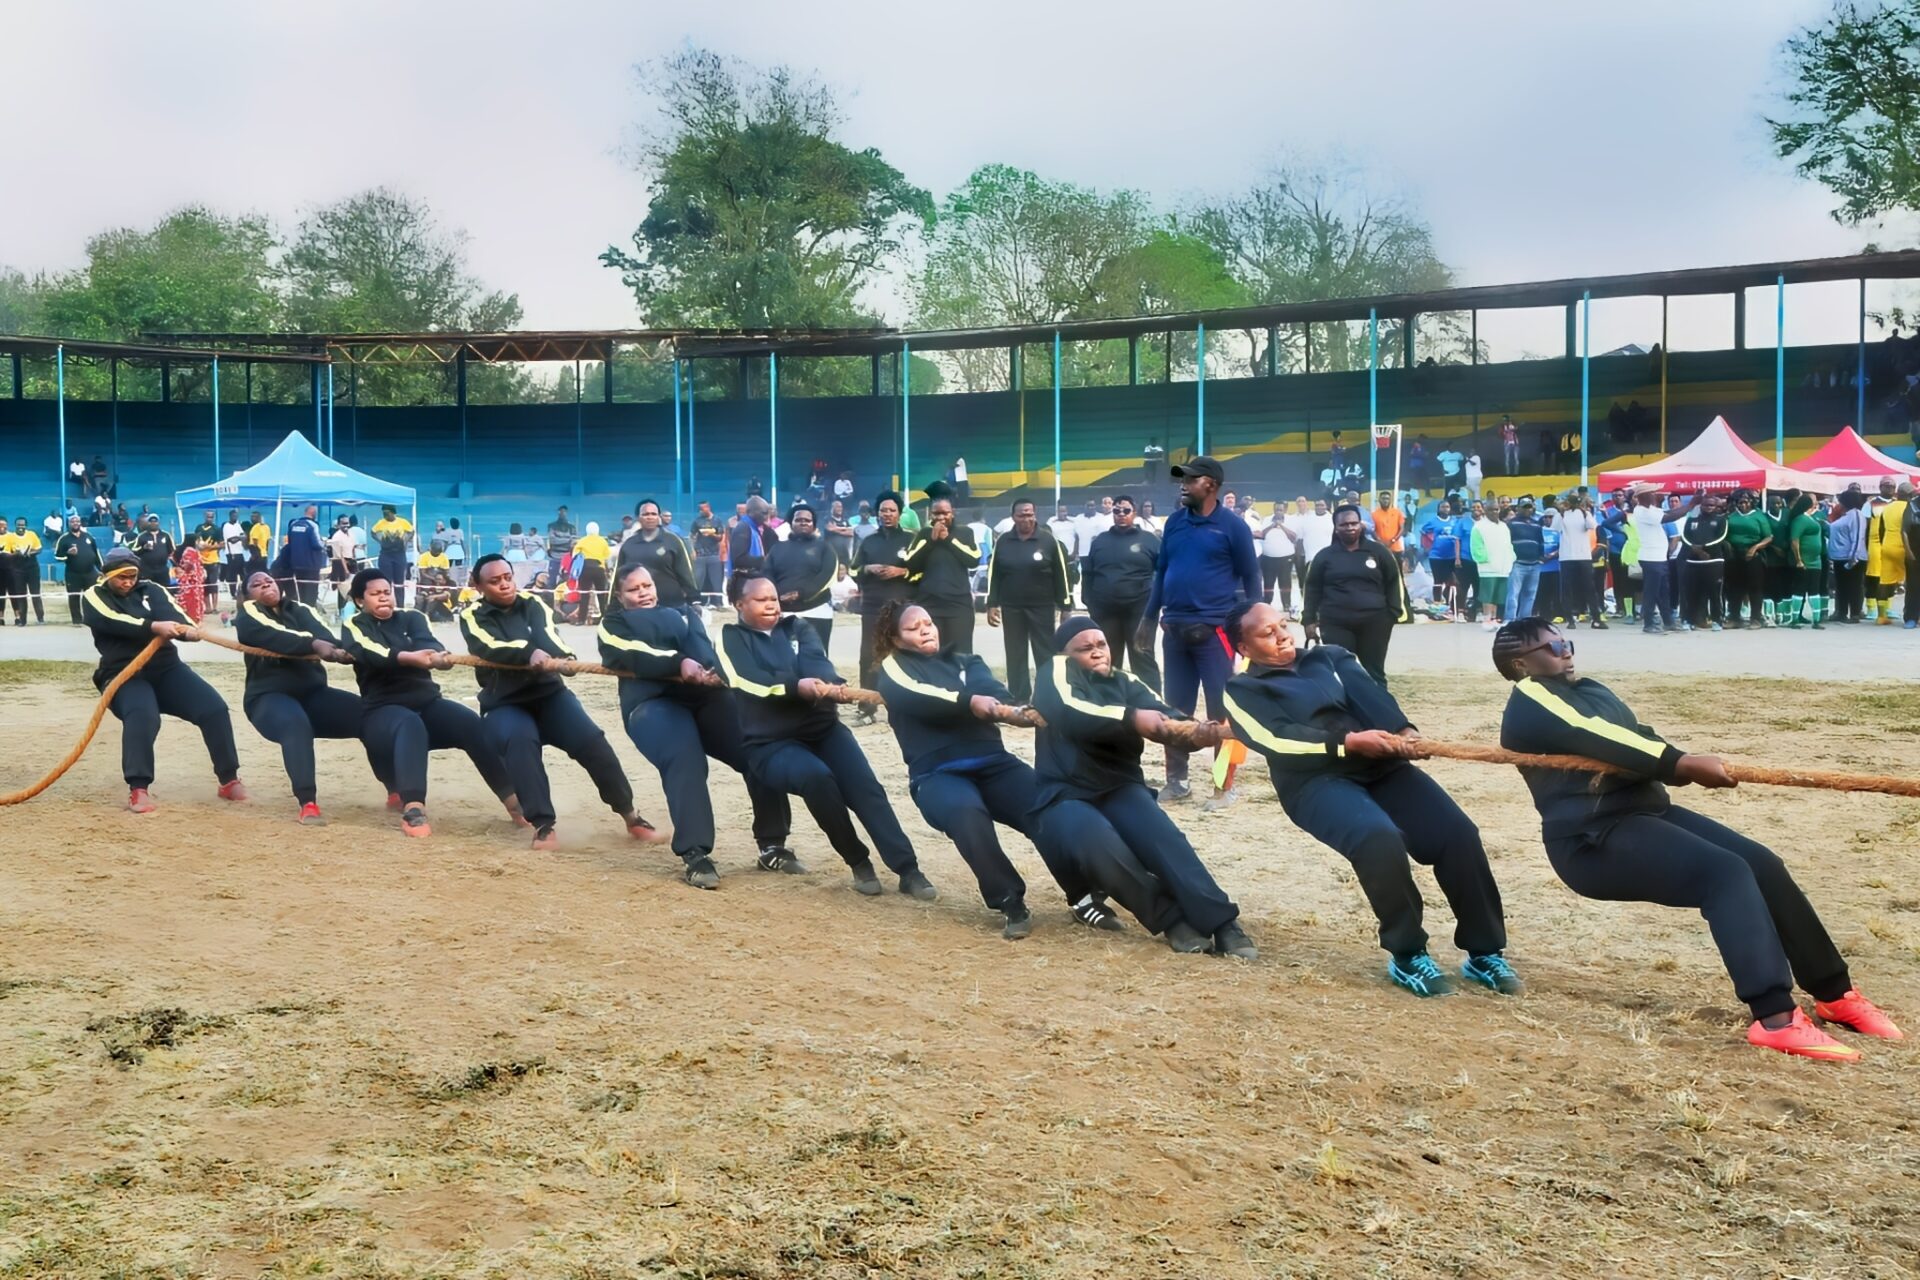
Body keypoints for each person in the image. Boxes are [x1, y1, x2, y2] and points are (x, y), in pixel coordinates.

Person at [1492, 618, 1901, 1059]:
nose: (1566, 652)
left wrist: (1673, 763)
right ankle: (1775, 1018)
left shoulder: (1587, 689)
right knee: (1724, 873)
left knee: (1762, 864)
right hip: (1591, 838)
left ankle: (1834, 994)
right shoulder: (1531, 698)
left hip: (1646, 812)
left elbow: (1634, 735)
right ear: (1521, 664)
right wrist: (1679, 763)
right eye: (1551, 648)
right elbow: (1598, 737)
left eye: (1566, 642)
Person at [1223, 602, 1515, 996]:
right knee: (1377, 837)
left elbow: (1371, 698)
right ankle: (1408, 954)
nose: (1282, 635)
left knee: (1457, 833)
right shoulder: (1243, 690)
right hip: (1316, 784)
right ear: (1242, 648)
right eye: (1266, 633)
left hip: (1382, 767)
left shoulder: (1331, 657)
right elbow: (1277, 738)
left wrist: (1404, 731)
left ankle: (1484, 952)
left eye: (1283, 624)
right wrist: (1347, 743)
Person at [1032, 618, 1255, 958]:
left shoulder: (1126, 682)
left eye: (1101, 644)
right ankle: (1171, 920)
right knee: (1099, 843)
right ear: (1065, 654)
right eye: (1085, 648)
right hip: (1064, 792)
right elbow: (1070, 710)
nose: (1096, 652)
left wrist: (1196, 733)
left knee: (1163, 839)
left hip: (1119, 785)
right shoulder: (1056, 672)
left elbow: (1165, 717)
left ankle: (1223, 923)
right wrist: (1130, 718)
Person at [720, 577, 934, 898]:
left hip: (823, 730)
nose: (771, 605)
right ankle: (858, 861)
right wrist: (796, 686)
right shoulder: (730, 638)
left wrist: (831, 684)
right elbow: (747, 680)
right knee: (816, 778)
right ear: (739, 605)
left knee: (867, 789)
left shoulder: (798, 627)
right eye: (761, 600)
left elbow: (816, 662)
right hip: (770, 744)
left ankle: (908, 869)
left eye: (774, 598)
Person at [874, 601, 1065, 938]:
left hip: (993, 764)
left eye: (928, 623)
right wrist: (969, 702)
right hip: (936, 775)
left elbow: (993, 691)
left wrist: (1003, 707)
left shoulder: (965, 662)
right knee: (966, 813)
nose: (925, 629)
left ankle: (1083, 894)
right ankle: (1009, 900)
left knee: (1047, 806)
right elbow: (921, 696)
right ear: (896, 639)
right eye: (913, 627)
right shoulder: (894, 669)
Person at [596, 563, 793, 888]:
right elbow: (630, 652)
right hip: (651, 705)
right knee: (685, 757)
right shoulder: (613, 624)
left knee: (757, 745)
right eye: (633, 589)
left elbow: (701, 649)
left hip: (703, 696)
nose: (643, 592)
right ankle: (695, 854)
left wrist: (709, 669)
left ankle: (773, 845)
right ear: (619, 595)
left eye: (647, 585)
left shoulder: (684, 613)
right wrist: (678, 662)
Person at [460, 554, 658, 851]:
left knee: (593, 742)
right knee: (520, 742)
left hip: (549, 695)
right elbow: (489, 646)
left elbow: (548, 636)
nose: (504, 585)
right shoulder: (472, 616)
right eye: (495, 581)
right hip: (505, 703)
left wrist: (563, 657)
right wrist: (529, 653)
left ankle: (631, 816)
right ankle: (543, 824)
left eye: (508, 578)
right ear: (478, 586)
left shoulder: (533, 604)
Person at [336, 567, 519, 838]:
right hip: (381, 711)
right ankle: (413, 806)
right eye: (375, 594)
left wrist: (435, 657)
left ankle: (514, 802)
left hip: (428, 702)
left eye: (387, 592)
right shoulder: (354, 625)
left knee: (470, 723)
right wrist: (409, 657)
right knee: (410, 724)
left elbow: (428, 643)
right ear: (360, 601)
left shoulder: (413, 617)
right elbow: (369, 651)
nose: (384, 598)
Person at [80, 548, 248, 813]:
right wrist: (153, 627)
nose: (127, 582)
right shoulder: (94, 596)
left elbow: (171, 612)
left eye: (132, 576)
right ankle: (139, 788)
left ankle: (228, 779)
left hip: (166, 668)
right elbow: (112, 620)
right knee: (143, 715)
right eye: (121, 577)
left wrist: (187, 629)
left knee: (214, 708)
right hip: (123, 672)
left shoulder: (152, 589)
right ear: (108, 575)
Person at [1136, 455, 1262, 803]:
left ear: (1211, 485)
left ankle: (1224, 786)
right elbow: (1161, 572)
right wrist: (1148, 618)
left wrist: (1254, 620)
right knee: (1175, 711)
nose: (1183, 485)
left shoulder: (1233, 526)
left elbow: (1251, 575)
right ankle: (1177, 782)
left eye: (1190, 480)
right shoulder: (1175, 522)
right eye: (1182, 480)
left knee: (1222, 712)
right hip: (1174, 631)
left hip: (1215, 633)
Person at [234, 570, 384, 825]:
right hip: (268, 698)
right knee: (295, 725)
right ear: (248, 595)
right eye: (256, 585)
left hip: (314, 694)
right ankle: (307, 802)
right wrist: (312, 645)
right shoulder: (248, 614)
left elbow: (324, 634)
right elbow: (270, 634)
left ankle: (395, 790)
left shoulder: (301, 609)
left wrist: (334, 648)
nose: (265, 585)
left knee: (371, 715)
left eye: (268, 580)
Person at [1300, 503, 1407, 685]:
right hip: (1335, 623)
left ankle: (1379, 710)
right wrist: (1308, 620)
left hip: (1375, 622)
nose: (1349, 528)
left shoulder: (1379, 551)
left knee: (1374, 672)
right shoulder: (1324, 556)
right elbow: (1311, 589)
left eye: (1353, 523)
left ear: (1360, 525)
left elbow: (1394, 582)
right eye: (1344, 525)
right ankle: (1348, 712)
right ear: (1335, 528)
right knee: (1343, 671)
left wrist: (1393, 613)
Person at [985, 499, 1073, 702]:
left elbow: (1061, 574)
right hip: (1012, 607)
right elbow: (994, 575)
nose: (1026, 519)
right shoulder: (1003, 541)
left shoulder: (1048, 540)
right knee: (1015, 653)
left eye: (1029, 514)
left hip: (1042, 607)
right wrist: (992, 604)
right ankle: (1019, 696)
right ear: (1013, 517)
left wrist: (1066, 606)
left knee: (1044, 653)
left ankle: (1047, 696)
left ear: (1035, 515)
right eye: (1021, 515)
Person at [1082, 496, 1162, 691]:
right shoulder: (1100, 541)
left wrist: (1159, 604)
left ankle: (1152, 704)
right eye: (1117, 511)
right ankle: (1108, 702)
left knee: (1142, 655)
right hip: (1105, 611)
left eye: (1126, 511)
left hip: (1140, 610)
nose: (1121, 515)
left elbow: (1163, 573)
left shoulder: (1150, 540)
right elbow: (1088, 573)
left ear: (1134, 513)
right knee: (1106, 657)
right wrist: (1090, 602)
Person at [851, 491, 915, 715]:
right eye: (883, 510)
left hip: (902, 608)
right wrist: (867, 569)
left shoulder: (911, 539)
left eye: (892, 510)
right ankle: (866, 705)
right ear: (877, 513)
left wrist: (902, 571)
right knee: (869, 655)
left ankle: (905, 703)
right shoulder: (868, 541)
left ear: (899, 513)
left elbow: (921, 572)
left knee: (904, 653)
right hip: (872, 607)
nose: (887, 514)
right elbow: (852, 570)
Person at [905, 495, 981, 654]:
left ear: (952, 512)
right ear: (930, 514)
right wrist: (931, 541)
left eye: (944, 513)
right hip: (929, 603)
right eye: (936, 513)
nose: (940, 517)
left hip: (958, 604)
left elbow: (973, 559)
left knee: (961, 653)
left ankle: (960, 679)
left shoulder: (965, 532)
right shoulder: (924, 534)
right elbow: (910, 562)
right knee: (931, 652)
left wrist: (948, 539)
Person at [767, 500, 838, 653]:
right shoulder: (777, 548)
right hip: (784, 612)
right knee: (784, 657)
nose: (803, 523)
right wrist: (776, 596)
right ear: (791, 523)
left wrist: (800, 594)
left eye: (807, 520)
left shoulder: (825, 547)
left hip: (817, 611)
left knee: (817, 657)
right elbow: (766, 574)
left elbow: (828, 576)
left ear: (813, 524)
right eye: (798, 520)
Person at [616, 500, 699, 609]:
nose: (650, 517)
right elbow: (618, 579)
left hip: (672, 606)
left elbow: (686, 573)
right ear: (638, 518)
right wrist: (612, 608)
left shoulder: (673, 541)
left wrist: (695, 600)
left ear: (659, 517)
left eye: (653, 514)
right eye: (645, 514)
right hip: (638, 609)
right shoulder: (628, 545)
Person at [1629, 486, 1677, 633]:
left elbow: (1668, 513)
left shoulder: (1650, 509)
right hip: (1651, 558)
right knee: (1651, 591)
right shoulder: (1642, 511)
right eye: (1653, 493)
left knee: (1663, 591)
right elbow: (1669, 517)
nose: (1655, 495)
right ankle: (1648, 624)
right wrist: (1692, 504)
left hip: (1659, 558)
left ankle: (1668, 622)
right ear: (1645, 495)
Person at [1679, 495, 1729, 631]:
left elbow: (1722, 537)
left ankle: (1717, 621)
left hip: (1714, 561)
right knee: (1690, 593)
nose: (1709, 508)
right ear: (1701, 506)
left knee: (1715, 593)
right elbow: (1685, 537)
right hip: (1693, 561)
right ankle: (1688, 620)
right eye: (1706, 505)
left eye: (1712, 505)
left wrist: (1704, 547)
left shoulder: (1721, 520)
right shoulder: (1691, 520)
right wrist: (1696, 550)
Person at [1724, 491, 1774, 628]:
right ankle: (1734, 617)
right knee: (1734, 587)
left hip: (1753, 555)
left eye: (1746, 502)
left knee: (1755, 587)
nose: (1743, 505)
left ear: (1752, 502)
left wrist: (1755, 548)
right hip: (1734, 555)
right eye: (1740, 502)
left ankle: (1756, 618)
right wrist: (1728, 545)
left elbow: (1768, 537)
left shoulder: (1759, 517)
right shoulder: (1731, 517)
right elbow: (1724, 535)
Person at [1780, 492, 1828, 629]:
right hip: (1804, 561)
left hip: (1816, 561)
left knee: (1814, 590)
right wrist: (1798, 560)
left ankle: (1816, 620)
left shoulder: (1810, 518)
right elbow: (1795, 540)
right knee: (1799, 589)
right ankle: (1795, 619)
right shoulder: (1800, 519)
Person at [1556, 491, 1604, 628]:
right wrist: (1561, 511)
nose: (1573, 505)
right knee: (1567, 589)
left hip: (1583, 555)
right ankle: (1570, 619)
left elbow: (1592, 526)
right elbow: (1555, 527)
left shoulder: (1585, 514)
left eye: (1576, 502)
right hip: (1567, 556)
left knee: (1589, 587)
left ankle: (1596, 618)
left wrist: (1584, 510)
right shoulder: (1562, 514)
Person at [1868, 481, 1911, 626]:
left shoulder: (1887, 508)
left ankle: (1881, 616)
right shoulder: (1910, 507)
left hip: (1887, 546)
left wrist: (1882, 544)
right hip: (1904, 548)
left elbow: (1880, 529)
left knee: (1884, 581)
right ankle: (1914, 615)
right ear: (1910, 495)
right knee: (1913, 581)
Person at [1470, 500, 1513, 629]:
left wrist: (1511, 557)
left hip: (1503, 567)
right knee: (1487, 595)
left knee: (1498, 595)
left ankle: (1494, 619)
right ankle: (1486, 619)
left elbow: (1508, 544)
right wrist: (1483, 558)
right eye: (1491, 510)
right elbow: (1476, 546)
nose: (1495, 512)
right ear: (1485, 511)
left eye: (1496, 510)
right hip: (1487, 567)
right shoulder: (1479, 526)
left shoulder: (1504, 526)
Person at [1828, 491, 1870, 624]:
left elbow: (1857, 537)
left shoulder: (1856, 515)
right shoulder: (1845, 515)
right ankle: (1841, 612)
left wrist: (1853, 557)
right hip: (1840, 557)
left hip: (1851, 557)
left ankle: (1855, 613)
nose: (1839, 504)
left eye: (1841, 501)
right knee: (1841, 586)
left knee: (1854, 586)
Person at [53, 516, 102, 626]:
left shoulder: (89, 537)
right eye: (72, 521)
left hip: (90, 573)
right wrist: (68, 554)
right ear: (69, 524)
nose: (75, 523)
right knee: (74, 597)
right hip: (73, 574)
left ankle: (91, 619)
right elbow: (57, 557)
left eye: (77, 521)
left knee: (92, 596)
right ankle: (76, 620)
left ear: (80, 523)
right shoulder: (64, 539)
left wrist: (102, 569)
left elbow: (96, 554)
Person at [276, 505, 329, 605]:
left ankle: (302, 610)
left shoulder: (293, 525)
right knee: (311, 592)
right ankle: (310, 613)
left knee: (301, 592)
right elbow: (317, 544)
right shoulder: (312, 525)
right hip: (311, 565)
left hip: (296, 564)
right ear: (313, 513)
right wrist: (324, 542)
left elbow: (290, 543)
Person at [726, 497, 774, 603]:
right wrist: (765, 561)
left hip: (751, 582)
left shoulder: (754, 529)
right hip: (744, 584)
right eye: (764, 513)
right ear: (750, 512)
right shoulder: (743, 528)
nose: (766, 517)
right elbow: (738, 559)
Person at [1505, 499, 1545, 620]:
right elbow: (1506, 543)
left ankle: (1524, 620)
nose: (1528, 509)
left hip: (1535, 564)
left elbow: (1540, 542)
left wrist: (1540, 557)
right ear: (1518, 508)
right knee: (1513, 595)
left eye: (1530, 507)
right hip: (1517, 564)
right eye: (1525, 507)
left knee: (1530, 594)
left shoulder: (1536, 524)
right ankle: (1510, 621)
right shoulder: (1511, 524)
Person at [368, 506, 414, 608]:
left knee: (399, 582)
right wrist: (380, 540)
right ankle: (386, 603)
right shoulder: (381, 522)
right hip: (386, 554)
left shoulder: (402, 522)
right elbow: (373, 532)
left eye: (387, 513)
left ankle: (400, 606)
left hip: (399, 554)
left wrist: (406, 540)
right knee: (385, 581)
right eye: (383, 513)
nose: (385, 515)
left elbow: (411, 531)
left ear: (393, 513)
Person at [569, 521, 614, 624]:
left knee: (584, 595)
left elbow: (574, 555)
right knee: (601, 594)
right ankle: (604, 618)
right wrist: (608, 570)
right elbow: (607, 557)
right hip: (599, 569)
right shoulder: (603, 541)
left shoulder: (582, 541)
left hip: (586, 569)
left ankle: (581, 620)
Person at [3, 517, 44, 625]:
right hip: (18, 569)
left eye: (22, 525)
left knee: (35, 594)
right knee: (21, 595)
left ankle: (40, 619)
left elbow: (39, 549)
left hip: (33, 568)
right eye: (18, 525)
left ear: (26, 525)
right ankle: (23, 620)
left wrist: (30, 553)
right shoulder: (10, 537)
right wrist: (17, 553)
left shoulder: (32, 534)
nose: (21, 527)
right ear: (15, 525)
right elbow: (7, 553)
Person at [1257, 504, 1298, 610]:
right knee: (1268, 582)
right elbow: (1261, 534)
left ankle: (1286, 605)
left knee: (1285, 582)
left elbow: (1294, 538)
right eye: (1276, 509)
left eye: (1280, 510)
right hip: (1268, 557)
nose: (1278, 511)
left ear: (1285, 510)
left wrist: (1282, 526)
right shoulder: (1267, 519)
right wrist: (1272, 525)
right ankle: (1267, 604)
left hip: (1286, 557)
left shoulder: (1291, 520)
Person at [688, 500, 727, 605]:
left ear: (708, 507)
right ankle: (697, 602)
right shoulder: (697, 521)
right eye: (699, 509)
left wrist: (711, 534)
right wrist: (692, 550)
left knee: (716, 580)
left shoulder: (717, 521)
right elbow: (691, 536)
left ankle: (718, 603)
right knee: (698, 579)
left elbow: (720, 537)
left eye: (703, 508)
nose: (701, 511)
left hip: (714, 555)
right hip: (700, 555)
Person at [189, 510, 222, 614]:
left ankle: (215, 607)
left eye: (211, 517)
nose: (210, 518)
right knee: (204, 584)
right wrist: (198, 547)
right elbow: (195, 542)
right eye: (208, 517)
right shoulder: (199, 528)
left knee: (213, 584)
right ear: (204, 516)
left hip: (213, 560)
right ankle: (208, 607)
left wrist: (209, 547)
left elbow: (222, 544)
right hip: (201, 560)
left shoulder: (217, 529)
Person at [131, 515, 176, 585]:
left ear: (158, 523)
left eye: (155, 521)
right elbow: (134, 551)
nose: (153, 523)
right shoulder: (142, 536)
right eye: (151, 521)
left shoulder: (166, 535)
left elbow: (172, 550)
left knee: (165, 589)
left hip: (162, 569)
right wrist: (143, 548)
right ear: (148, 523)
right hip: (147, 570)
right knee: (147, 589)